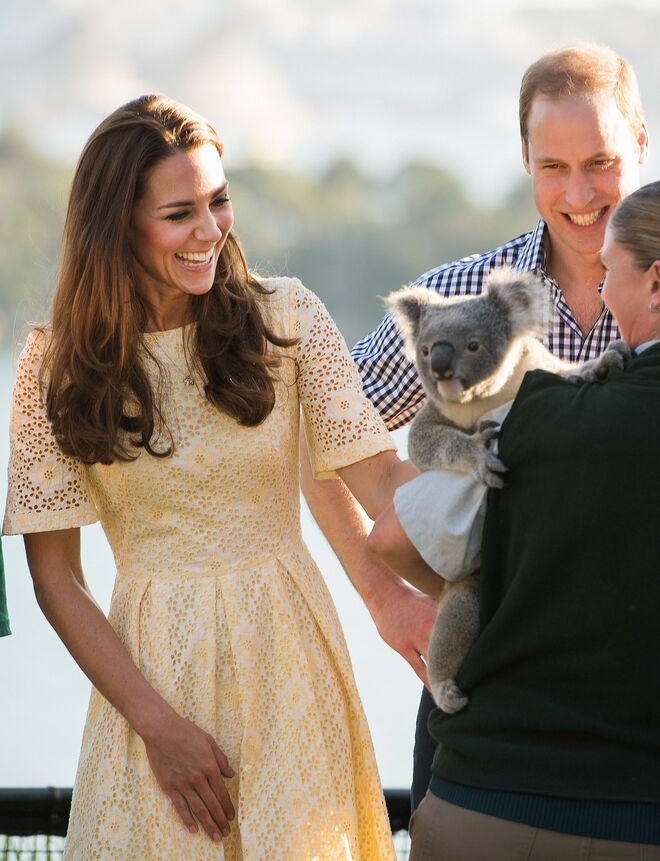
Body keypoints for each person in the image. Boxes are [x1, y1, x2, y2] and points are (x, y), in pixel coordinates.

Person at [2, 94, 418, 860]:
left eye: (219, 201)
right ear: (118, 223)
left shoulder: (286, 319)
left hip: (292, 666)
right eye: (179, 212)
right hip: (149, 683)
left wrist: (498, 560)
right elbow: (56, 577)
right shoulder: (52, 367)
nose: (210, 231)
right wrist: (158, 727)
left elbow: (386, 481)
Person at [299, 42, 650, 810]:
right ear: (524, 159)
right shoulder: (457, 299)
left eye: (601, 160)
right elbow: (315, 425)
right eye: (553, 167)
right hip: (487, 687)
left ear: (643, 145)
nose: (580, 192)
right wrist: (386, 598)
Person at [371, 179, 660, 859]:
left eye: (609, 273)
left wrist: (485, 580)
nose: (598, 294)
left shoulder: (540, 413)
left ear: (654, 284)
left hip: (488, 797)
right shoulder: (535, 399)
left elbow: (392, 536)